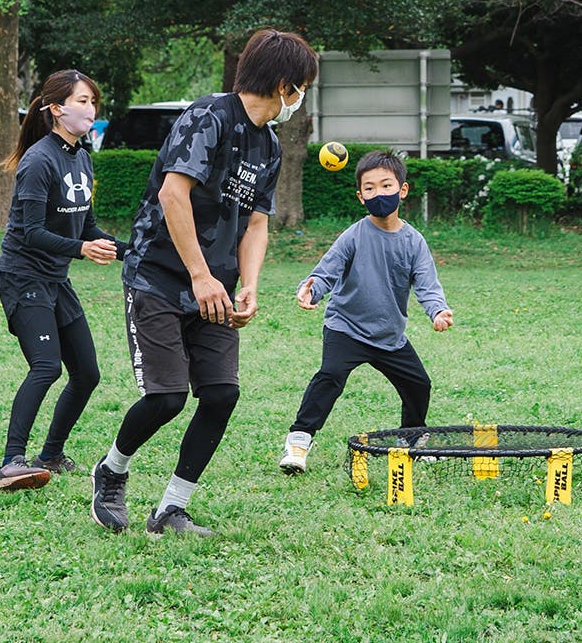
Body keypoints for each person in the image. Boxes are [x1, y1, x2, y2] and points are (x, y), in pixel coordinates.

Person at [89, 29, 318, 536]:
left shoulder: (269, 145)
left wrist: (248, 284)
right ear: (284, 85)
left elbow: (256, 223)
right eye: (302, 87)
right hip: (159, 277)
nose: (301, 99)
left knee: (220, 395)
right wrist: (200, 275)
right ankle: (111, 470)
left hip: (216, 288)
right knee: (167, 397)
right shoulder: (208, 116)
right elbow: (173, 195)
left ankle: (171, 508)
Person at [0, 70, 127, 491]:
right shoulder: (38, 160)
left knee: (86, 373)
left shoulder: (81, 157)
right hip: (23, 274)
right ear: (56, 109)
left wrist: (135, 250)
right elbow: (31, 232)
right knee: (47, 366)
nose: (91, 109)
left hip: (55, 278)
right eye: (82, 101)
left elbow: (87, 227)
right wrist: (82, 249)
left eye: (93, 101)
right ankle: (10, 462)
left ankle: (50, 454)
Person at [279, 150, 454, 475]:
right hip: (346, 328)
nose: (378, 194)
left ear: (403, 190)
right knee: (330, 376)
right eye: (369, 189)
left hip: (389, 336)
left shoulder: (413, 242)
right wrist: (310, 289)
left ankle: (412, 440)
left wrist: (438, 311)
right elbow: (326, 272)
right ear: (360, 196)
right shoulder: (354, 235)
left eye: (386, 186)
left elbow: (427, 285)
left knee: (419, 384)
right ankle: (299, 441)